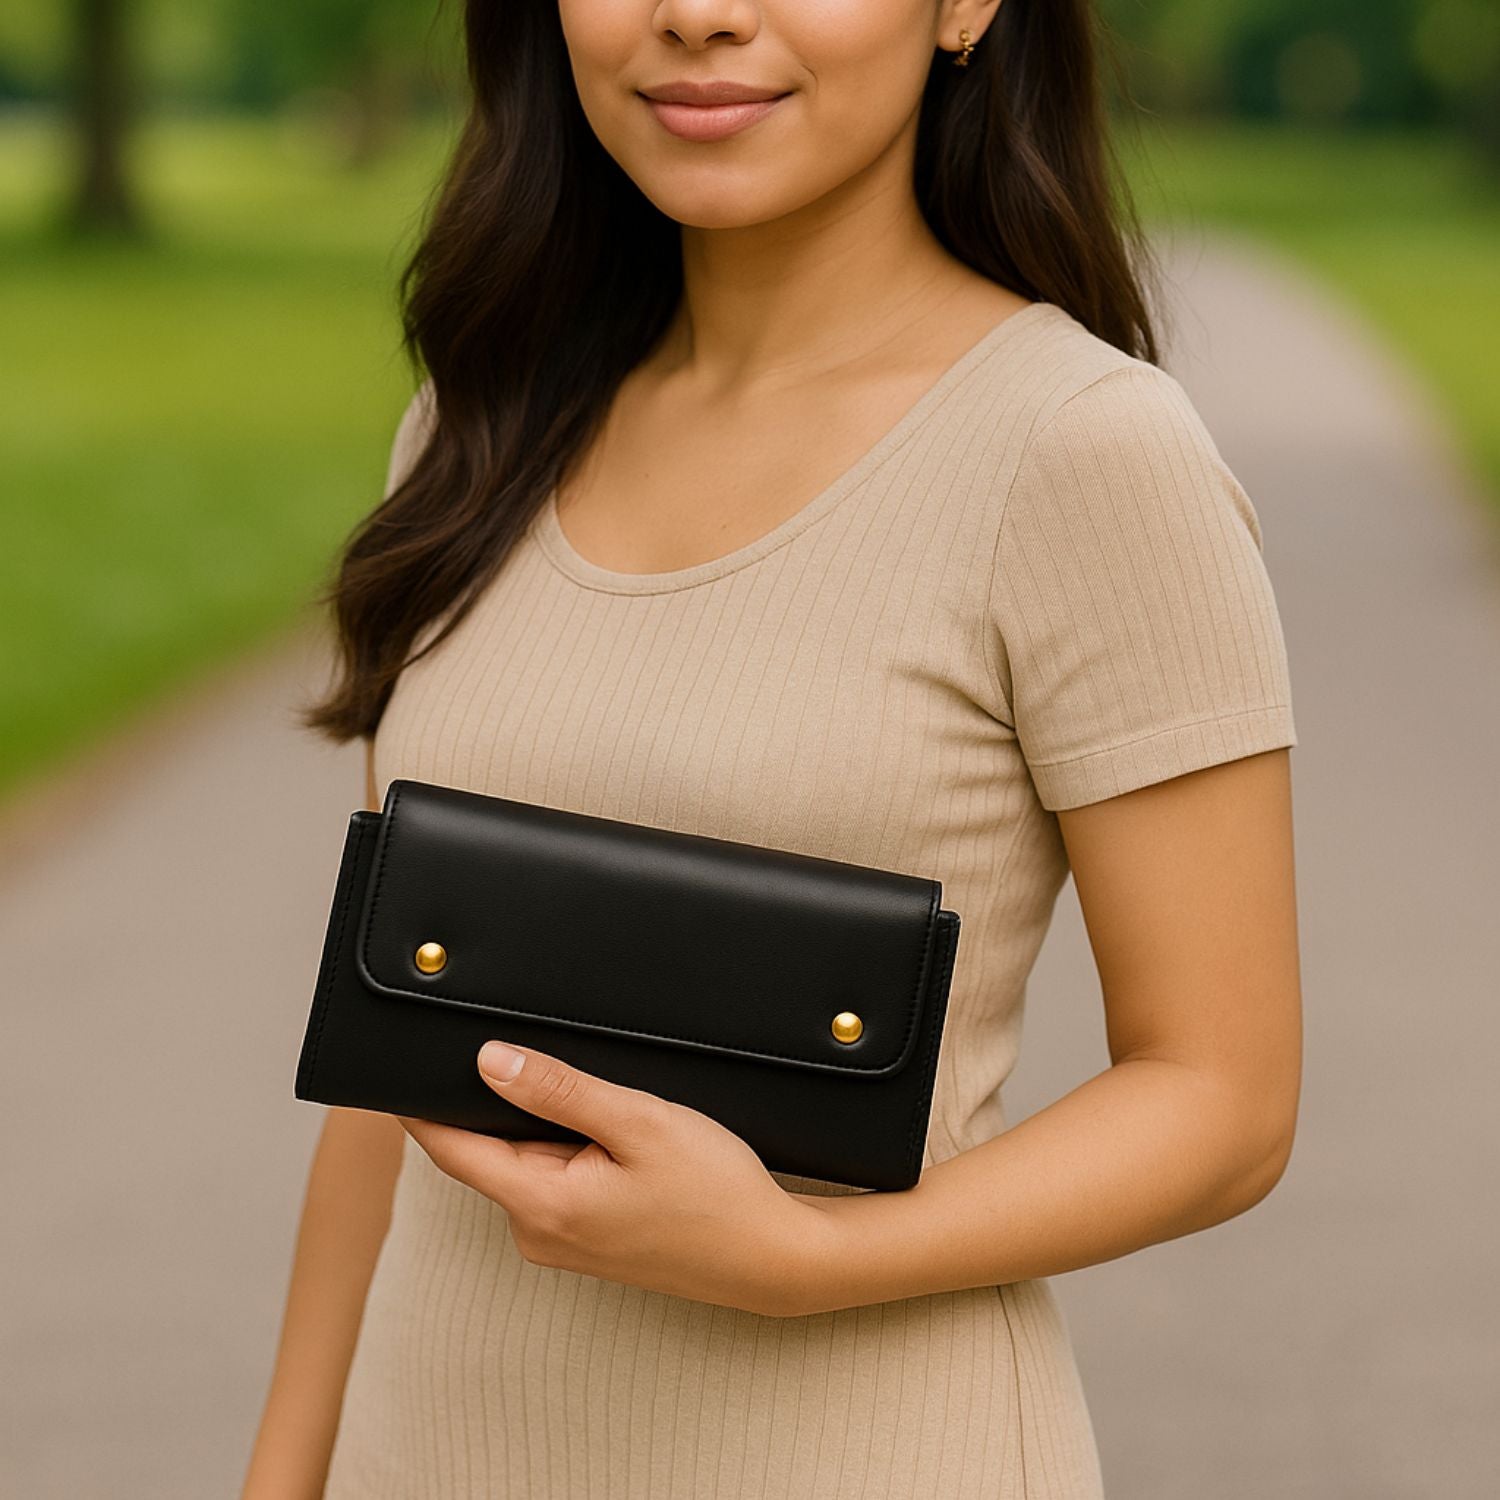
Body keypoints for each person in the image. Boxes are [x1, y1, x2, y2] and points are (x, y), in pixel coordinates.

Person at [241, 1, 1303, 1496]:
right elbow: (391, 1066)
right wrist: (285, 1474)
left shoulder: (1081, 450)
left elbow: (1225, 1097)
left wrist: (807, 1255)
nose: (699, 13)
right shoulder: (477, 424)